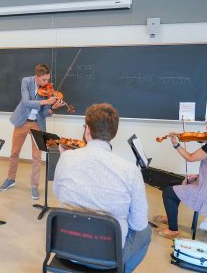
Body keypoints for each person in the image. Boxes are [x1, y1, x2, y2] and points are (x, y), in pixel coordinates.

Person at [53, 103, 151, 273]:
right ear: (114, 133)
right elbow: (138, 223)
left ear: (87, 130)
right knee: (146, 231)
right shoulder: (130, 171)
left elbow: (58, 193)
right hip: (107, 256)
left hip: (66, 247)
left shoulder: (66, 158)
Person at [153, 112, 207, 239]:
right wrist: (199, 176)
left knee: (168, 192)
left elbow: (190, 157)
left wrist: (176, 144)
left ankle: (173, 230)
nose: (206, 126)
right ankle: (170, 217)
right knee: (174, 184)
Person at [0, 64, 64, 200]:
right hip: (22, 121)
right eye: (44, 80)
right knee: (14, 152)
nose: (47, 83)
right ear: (37, 77)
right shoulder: (26, 81)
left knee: (37, 156)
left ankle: (34, 186)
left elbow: (45, 113)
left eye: (48, 80)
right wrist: (46, 100)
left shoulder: (48, 89)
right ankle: (11, 179)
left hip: (36, 124)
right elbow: (26, 102)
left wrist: (53, 108)